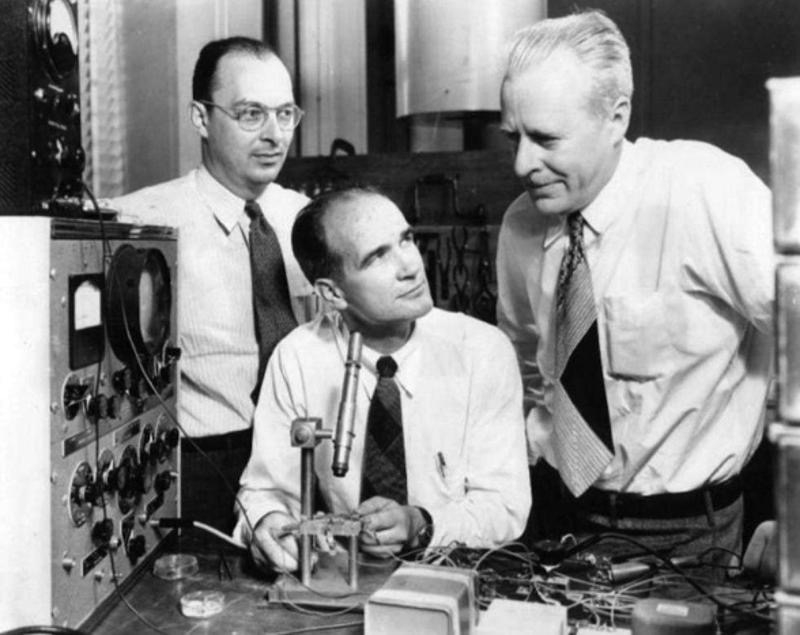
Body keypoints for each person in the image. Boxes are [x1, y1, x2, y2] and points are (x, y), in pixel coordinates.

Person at [496, 10, 774, 567]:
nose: (524, 163)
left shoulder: (703, 190)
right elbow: (525, 365)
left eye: (546, 139)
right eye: (513, 137)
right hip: (560, 517)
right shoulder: (521, 225)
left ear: (616, 117)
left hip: (690, 533)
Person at [234, 187, 531, 572]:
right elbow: (264, 491)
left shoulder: (482, 350)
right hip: (346, 577)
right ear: (332, 293)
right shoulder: (297, 358)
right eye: (377, 257)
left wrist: (420, 524)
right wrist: (268, 523)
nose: (410, 265)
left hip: (453, 572)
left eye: (406, 240)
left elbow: (504, 506)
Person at [114, 37, 314, 532]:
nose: (274, 135)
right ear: (201, 118)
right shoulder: (142, 221)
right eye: (251, 114)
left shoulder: (307, 220)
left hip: (302, 461)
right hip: (202, 469)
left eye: (285, 114)